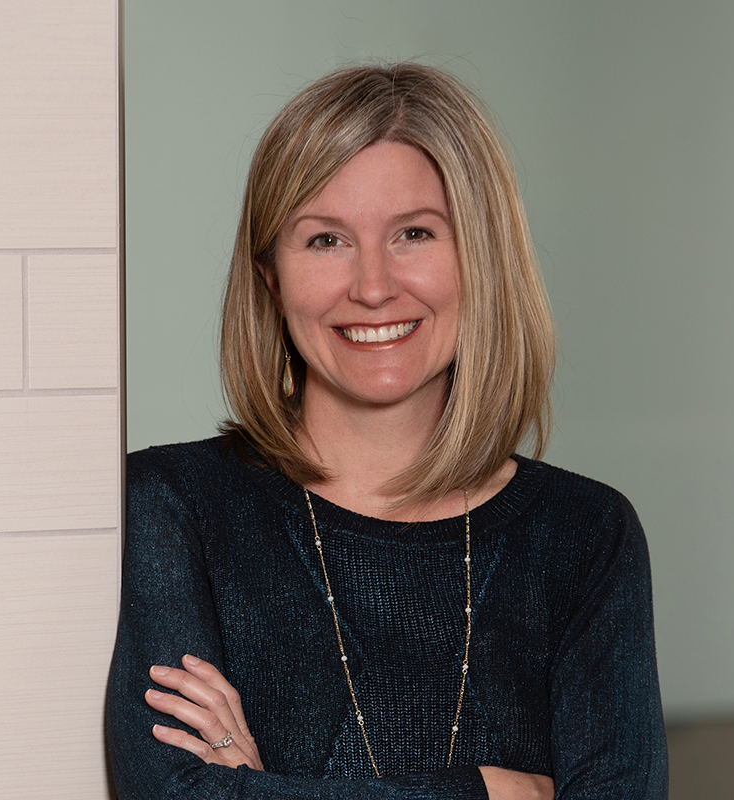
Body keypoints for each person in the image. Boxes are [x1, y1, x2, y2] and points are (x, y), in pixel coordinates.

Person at [107, 63, 668, 799]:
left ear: (481, 259)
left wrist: (259, 788)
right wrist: (492, 793)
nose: (373, 286)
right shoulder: (168, 506)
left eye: (413, 233)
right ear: (271, 275)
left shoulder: (586, 535)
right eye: (325, 241)